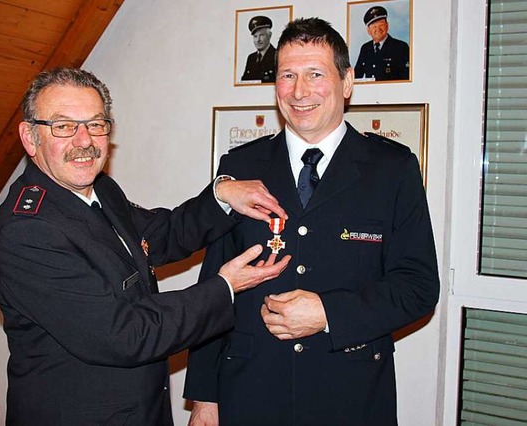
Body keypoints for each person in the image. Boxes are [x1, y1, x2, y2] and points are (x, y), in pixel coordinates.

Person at [0, 67, 292, 425]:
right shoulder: (27, 230)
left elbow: (160, 236)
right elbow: (126, 334)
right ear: (30, 137)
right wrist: (224, 287)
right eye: (63, 126)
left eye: (96, 124)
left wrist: (222, 195)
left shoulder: (100, 189)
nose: (84, 140)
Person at [184, 17, 439, 425]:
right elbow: (215, 285)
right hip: (249, 391)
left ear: (348, 82)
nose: (299, 91)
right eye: (287, 75)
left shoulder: (393, 168)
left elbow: (419, 287)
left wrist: (329, 314)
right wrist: (203, 396)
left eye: (315, 74)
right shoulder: (240, 165)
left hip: (349, 393)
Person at [354, 6, 410, 81]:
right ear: (368, 30)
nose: (378, 29)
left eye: (381, 25)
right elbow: (356, 77)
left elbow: (406, 79)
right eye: (374, 26)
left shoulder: (401, 47)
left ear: (387, 26)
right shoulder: (365, 48)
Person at [240, 15, 277, 83]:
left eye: (261, 35)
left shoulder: (277, 55)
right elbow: (244, 82)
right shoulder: (251, 58)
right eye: (255, 36)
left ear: (269, 35)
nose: (258, 40)